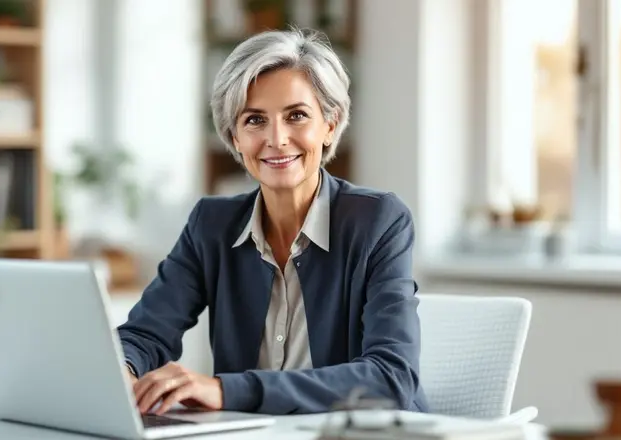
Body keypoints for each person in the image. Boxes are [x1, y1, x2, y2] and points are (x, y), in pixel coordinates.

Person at [117, 28, 429, 416]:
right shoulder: (211, 225)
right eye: (254, 120)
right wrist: (123, 373)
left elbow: (391, 379)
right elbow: (145, 333)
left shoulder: (379, 221)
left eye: (296, 115)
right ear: (234, 136)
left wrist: (227, 390)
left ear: (330, 124)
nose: (277, 139)